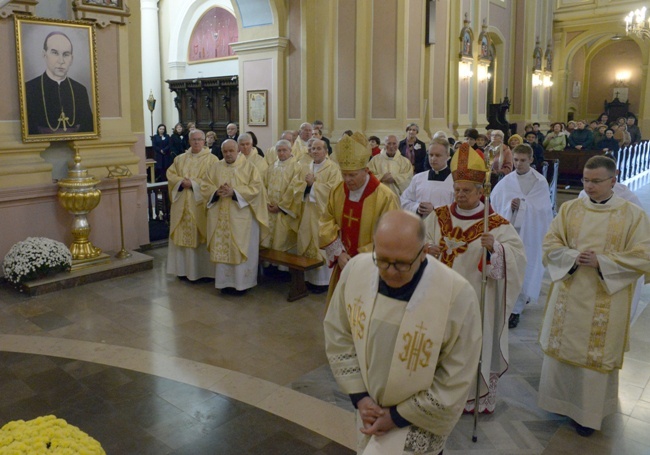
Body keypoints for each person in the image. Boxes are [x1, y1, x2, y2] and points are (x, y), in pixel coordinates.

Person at [324, 210, 482, 455]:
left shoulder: (456, 295)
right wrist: (360, 397)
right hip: (368, 408)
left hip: (418, 421)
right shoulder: (357, 270)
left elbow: (457, 372)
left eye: (401, 263)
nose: (389, 271)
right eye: (383, 260)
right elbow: (339, 333)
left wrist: (397, 416)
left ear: (423, 252)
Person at [538, 155, 650, 437]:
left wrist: (604, 263)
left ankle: (588, 415)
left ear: (614, 179)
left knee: (594, 358)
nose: (589, 186)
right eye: (586, 180)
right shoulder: (570, 209)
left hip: (605, 299)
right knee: (563, 348)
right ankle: (559, 402)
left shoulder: (632, 215)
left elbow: (644, 255)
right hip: (570, 292)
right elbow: (550, 243)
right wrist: (573, 258)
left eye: (597, 181)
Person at [424, 142, 526, 413]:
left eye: (466, 190)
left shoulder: (495, 225)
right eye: (456, 190)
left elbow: (518, 260)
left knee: (469, 349)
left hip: (476, 303)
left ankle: (470, 396)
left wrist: (497, 249)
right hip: (439, 300)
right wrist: (425, 251)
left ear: (481, 191)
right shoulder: (438, 217)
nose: (459, 195)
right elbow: (419, 246)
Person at [319, 132, 400, 304]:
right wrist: (338, 253)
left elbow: (392, 238)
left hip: (372, 269)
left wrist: (359, 258)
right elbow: (326, 221)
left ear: (365, 170)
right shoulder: (338, 191)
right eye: (344, 174)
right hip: (343, 264)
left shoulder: (385, 197)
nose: (347, 180)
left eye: (352, 175)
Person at [490, 144, 552, 329]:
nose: (518, 164)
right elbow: (495, 204)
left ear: (531, 160)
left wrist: (523, 206)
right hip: (510, 233)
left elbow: (543, 209)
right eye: (515, 160)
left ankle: (516, 310)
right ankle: (506, 306)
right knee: (509, 268)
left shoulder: (539, 182)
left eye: (523, 160)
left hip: (530, 234)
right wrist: (509, 205)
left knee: (525, 268)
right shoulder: (507, 181)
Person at [202, 139, 269, 294]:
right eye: (225, 151)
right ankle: (224, 283)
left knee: (240, 248)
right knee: (223, 249)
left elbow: (256, 189)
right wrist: (215, 192)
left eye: (231, 151)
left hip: (242, 219)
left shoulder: (249, 167)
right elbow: (205, 186)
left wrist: (235, 192)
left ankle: (242, 284)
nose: (228, 154)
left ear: (238, 150)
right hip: (221, 218)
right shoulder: (215, 167)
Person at [166, 129, 219, 281]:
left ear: (204, 141)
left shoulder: (213, 160)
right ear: (189, 141)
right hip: (182, 204)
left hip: (200, 205)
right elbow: (171, 174)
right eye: (193, 139)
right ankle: (183, 271)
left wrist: (194, 183)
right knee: (183, 237)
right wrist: (180, 182)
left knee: (200, 237)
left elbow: (212, 181)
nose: (196, 142)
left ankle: (203, 272)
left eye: (199, 139)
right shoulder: (180, 159)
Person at [291, 139, 342, 291]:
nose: (315, 151)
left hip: (324, 215)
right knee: (306, 241)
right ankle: (308, 279)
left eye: (319, 148)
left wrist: (314, 185)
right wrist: (306, 187)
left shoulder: (333, 168)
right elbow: (295, 187)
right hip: (307, 212)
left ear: (326, 151)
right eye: (313, 148)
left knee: (322, 245)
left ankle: (323, 281)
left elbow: (335, 191)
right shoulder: (304, 167)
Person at [25, 31, 94, 135]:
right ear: (44, 55)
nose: (61, 61)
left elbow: (88, 127)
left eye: (66, 54)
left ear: (71, 59)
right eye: (55, 53)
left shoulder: (80, 90)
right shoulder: (29, 88)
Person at [400, 137, 454, 217]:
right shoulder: (418, 178)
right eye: (431, 155)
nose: (433, 159)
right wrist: (417, 208)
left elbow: (460, 208)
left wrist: (435, 210)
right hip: (421, 226)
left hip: (444, 227)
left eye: (438, 155)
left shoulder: (455, 181)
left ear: (448, 156)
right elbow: (404, 201)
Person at [265, 139, 300, 253]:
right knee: (268, 244)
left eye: (284, 150)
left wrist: (281, 207)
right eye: (279, 150)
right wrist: (266, 202)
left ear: (290, 150)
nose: (281, 153)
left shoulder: (296, 167)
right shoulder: (271, 166)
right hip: (270, 211)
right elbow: (264, 186)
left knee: (281, 243)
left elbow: (294, 189)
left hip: (284, 212)